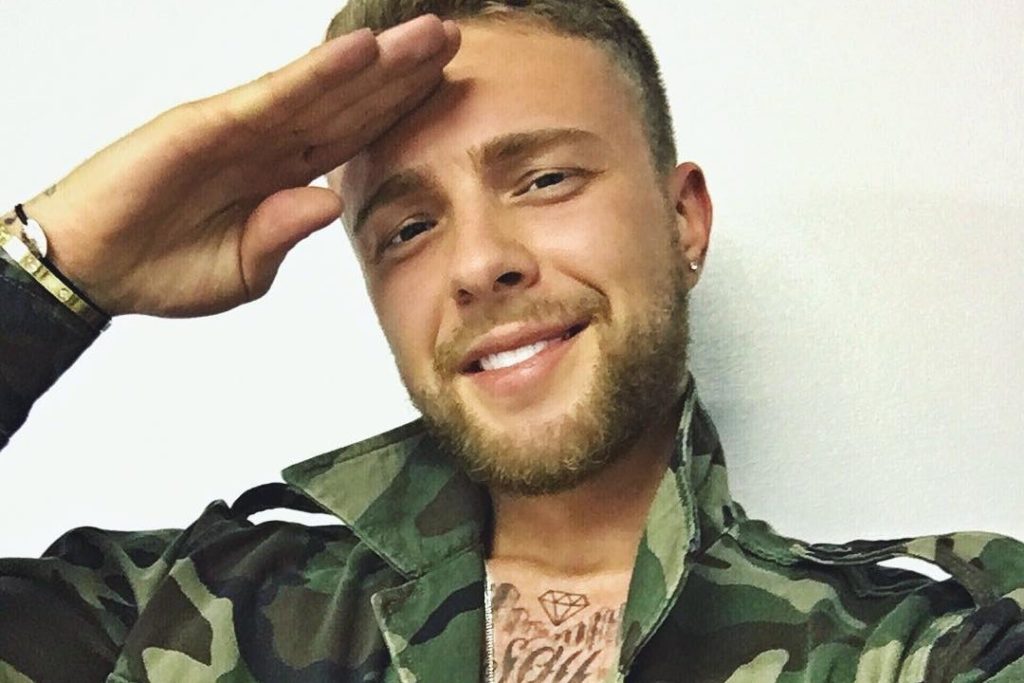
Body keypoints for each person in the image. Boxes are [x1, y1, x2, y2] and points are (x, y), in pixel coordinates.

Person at [1, 1, 1021, 681]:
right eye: (408, 228)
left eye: (544, 179)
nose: (478, 262)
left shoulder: (925, 639)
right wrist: (53, 267)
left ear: (683, 222)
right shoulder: (187, 608)